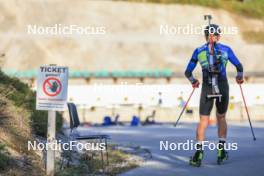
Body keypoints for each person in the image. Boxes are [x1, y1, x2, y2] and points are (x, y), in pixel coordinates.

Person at [184, 24, 244, 166]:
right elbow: (239, 66)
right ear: (218, 36)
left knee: (203, 121)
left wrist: (193, 81)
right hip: (222, 86)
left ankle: (198, 155)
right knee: (221, 117)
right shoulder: (226, 49)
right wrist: (239, 77)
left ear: (206, 36)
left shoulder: (198, 51)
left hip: (207, 87)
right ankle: (221, 152)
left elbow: (187, 72)